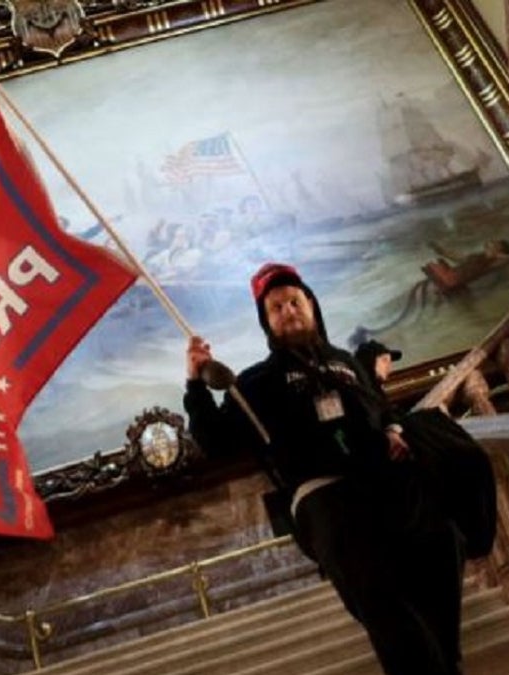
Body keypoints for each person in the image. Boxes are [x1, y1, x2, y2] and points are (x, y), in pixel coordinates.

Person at [183, 263, 466, 675]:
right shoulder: (255, 383)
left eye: (295, 301)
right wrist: (195, 384)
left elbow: (382, 408)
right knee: (380, 599)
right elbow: (215, 441)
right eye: (276, 307)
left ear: (312, 306)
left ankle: (446, 663)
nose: (288, 310)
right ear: (267, 322)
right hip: (327, 500)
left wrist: (392, 428)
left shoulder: (348, 364)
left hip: (389, 486)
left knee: (442, 546)